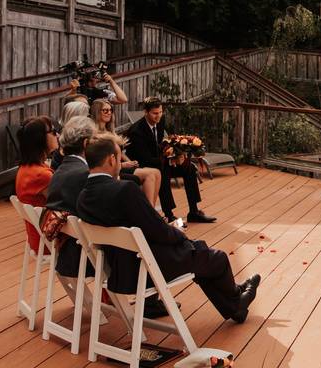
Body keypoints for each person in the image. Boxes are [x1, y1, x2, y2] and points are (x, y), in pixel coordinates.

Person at [76, 134, 260, 323]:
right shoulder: (124, 189)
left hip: (118, 270)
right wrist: (179, 233)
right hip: (144, 270)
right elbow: (159, 231)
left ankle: (236, 302)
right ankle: (236, 299)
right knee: (216, 258)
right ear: (112, 159)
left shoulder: (83, 196)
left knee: (200, 250)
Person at [126, 97, 215, 224]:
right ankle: (169, 214)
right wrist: (170, 161)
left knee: (189, 168)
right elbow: (144, 159)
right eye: (155, 113)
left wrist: (177, 153)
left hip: (160, 160)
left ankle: (194, 212)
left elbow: (162, 145)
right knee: (163, 171)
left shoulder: (160, 120)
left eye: (160, 112)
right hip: (143, 165)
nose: (158, 116)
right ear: (146, 112)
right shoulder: (136, 131)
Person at [46, 116, 98, 278]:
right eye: (95, 139)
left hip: (67, 254)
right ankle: (150, 302)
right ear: (85, 143)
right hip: (85, 257)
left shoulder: (60, 170)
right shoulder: (84, 174)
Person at [91, 98, 161, 208]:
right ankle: (150, 212)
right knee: (150, 175)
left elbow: (119, 152)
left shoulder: (109, 130)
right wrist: (123, 164)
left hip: (120, 165)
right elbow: (101, 160)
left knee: (156, 172)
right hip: (110, 169)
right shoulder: (94, 134)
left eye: (110, 110)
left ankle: (150, 210)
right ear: (97, 112)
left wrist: (129, 161)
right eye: (105, 110)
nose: (109, 112)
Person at [15, 115, 57, 253]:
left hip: (37, 238)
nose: (57, 135)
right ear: (40, 139)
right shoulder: (41, 175)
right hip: (49, 241)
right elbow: (64, 203)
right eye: (53, 131)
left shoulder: (25, 169)